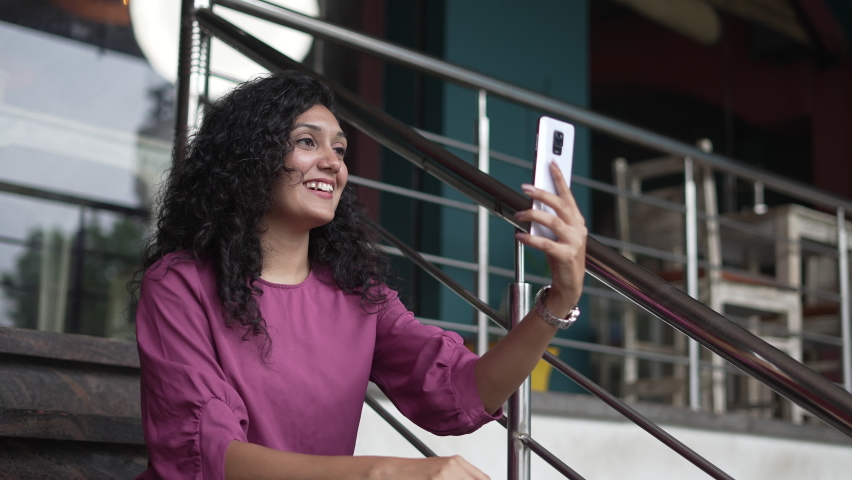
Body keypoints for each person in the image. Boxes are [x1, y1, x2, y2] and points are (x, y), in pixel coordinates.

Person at [132, 71, 587, 480]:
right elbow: (207, 457)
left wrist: (559, 300)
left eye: (340, 148)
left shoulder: (357, 296)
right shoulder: (179, 284)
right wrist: (380, 473)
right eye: (307, 142)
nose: (333, 162)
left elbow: (460, 391)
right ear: (249, 158)